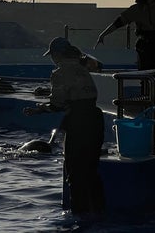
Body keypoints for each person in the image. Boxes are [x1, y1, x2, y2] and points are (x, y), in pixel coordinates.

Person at [24, 37, 105, 215]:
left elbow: (57, 105)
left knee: (75, 174)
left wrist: (39, 110)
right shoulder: (84, 65)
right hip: (95, 119)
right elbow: (99, 65)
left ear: (58, 55)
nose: (52, 59)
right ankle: (99, 212)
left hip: (78, 123)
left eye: (52, 55)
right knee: (91, 172)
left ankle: (79, 217)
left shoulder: (59, 73)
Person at [95, 0, 155, 70]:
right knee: (145, 73)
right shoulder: (136, 10)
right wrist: (103, 34)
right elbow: (118, 23)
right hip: (145, 45)